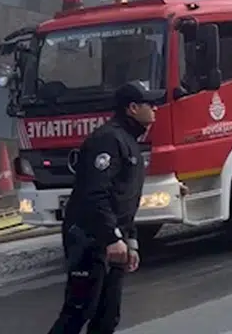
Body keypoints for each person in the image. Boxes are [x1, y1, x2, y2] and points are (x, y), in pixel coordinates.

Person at [48, 83, 155, 334]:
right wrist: (111, 237)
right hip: (88, 237)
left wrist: (130, 241)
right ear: (132, 108)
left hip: (113, 238)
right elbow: (95, 193)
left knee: (107, 316)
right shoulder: (108, 140)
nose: (155, 109)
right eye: (150, 104)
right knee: (79, 310)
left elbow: (124, 200)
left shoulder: (129, 141)